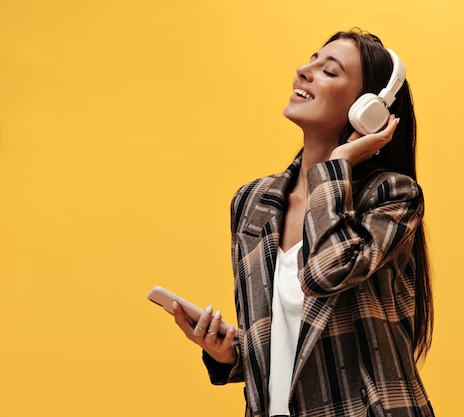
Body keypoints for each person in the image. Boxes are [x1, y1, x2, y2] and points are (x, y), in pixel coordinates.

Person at [172, 28, 435, 417]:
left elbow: (325, 274)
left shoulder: (392, 196)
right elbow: (289, 344)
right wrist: (231, 353)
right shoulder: (253, 202)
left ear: (368, 109)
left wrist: (334, 167)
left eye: (329, 71)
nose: (304, 70)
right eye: (311, 60)